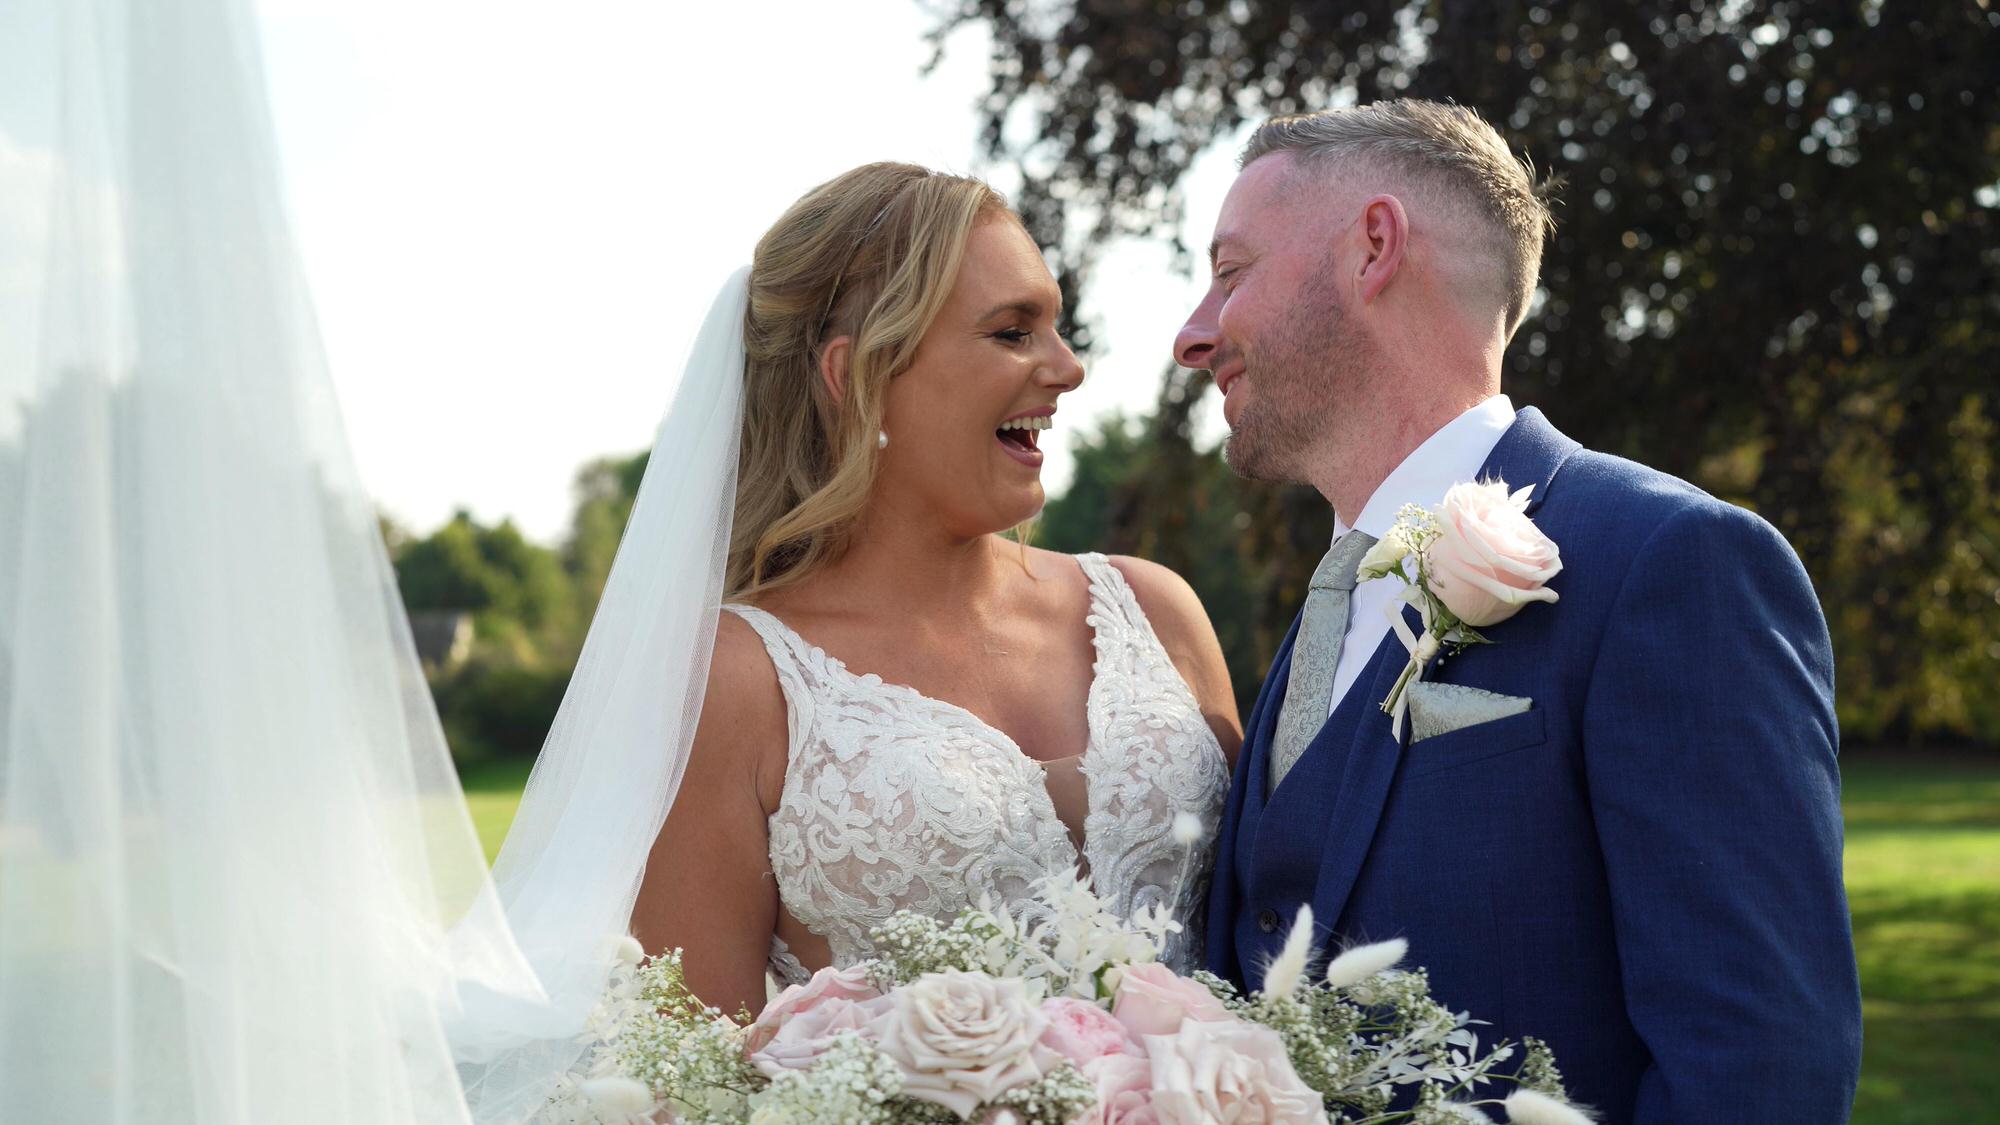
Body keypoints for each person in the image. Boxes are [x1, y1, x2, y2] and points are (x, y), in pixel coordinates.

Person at [1180, 101, 1862, 1122]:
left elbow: (1760, 1064)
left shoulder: (1670, 563)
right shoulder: (1328, 605)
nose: (1192, 336)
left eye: (1230, 273)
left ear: (1373, 247)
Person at [617, 163, 1240, 1018]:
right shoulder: (734, 683)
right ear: (855, 374)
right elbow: (691, 1070)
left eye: (1056, 329)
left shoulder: (1154, 610)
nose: (1068, 368)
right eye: (1012, 332)